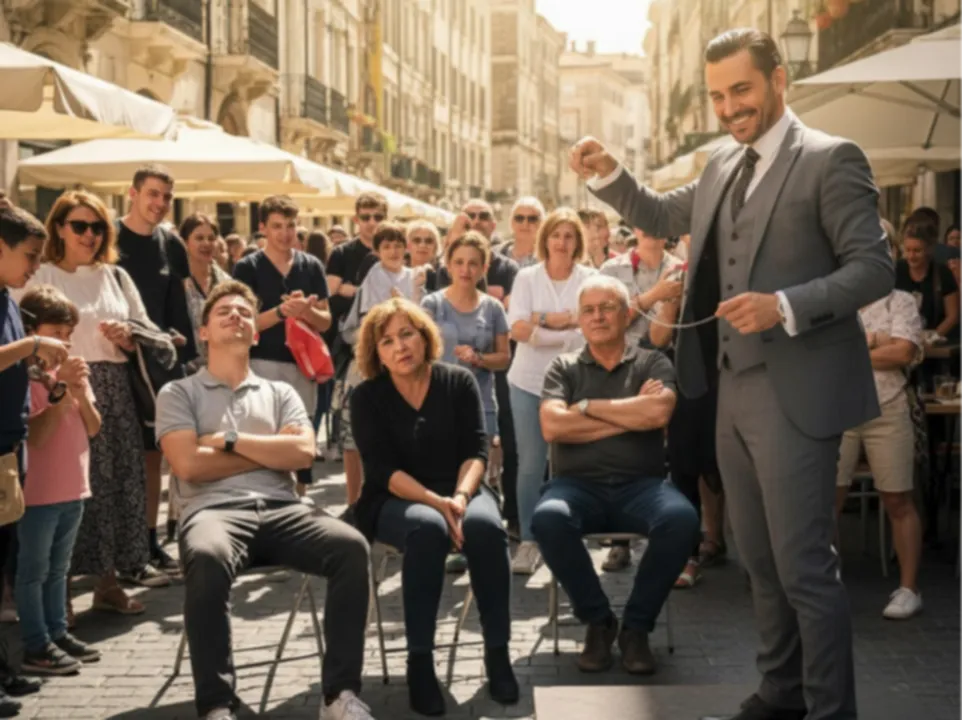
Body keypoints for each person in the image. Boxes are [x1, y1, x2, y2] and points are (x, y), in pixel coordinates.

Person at [571, 28, 893, 720]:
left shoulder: (831, 158)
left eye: (740, 90)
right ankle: (780, 692)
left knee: (804, 566)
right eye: (717, 96)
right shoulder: (720, 163)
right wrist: (609, 173)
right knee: (757, 561)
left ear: (779, 80)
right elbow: (660, 214)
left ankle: (831, 710)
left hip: (799, 393)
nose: (728, 107)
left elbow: (873, 268)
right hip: (727, 390)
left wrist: (785, 305)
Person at [156, 281, 374, 720]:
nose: (235, 316)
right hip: (213, 512)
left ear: (255, 333)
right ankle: (217, 704)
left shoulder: (280, 392)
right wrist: (269, 451)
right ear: (204, 332)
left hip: (282, 508)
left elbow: (303, 453)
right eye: (224, 312)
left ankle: (339, 695)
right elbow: (188, 466)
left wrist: (227, 440)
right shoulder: (179, 393)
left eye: (244, 312)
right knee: (206, 555)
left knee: (352, 547)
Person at [349, 298, 518, 717]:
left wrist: (459, 498)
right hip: (395, 497)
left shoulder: (458, 382)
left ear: (425, 337)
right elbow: (381, 469)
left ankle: (498, 652)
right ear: (377, 353)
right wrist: (436, 503)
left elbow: (477, 450)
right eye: (387, 341)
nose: (400, 346)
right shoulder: (367, 396)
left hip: (460, 488)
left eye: (407, 334)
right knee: (427, 528)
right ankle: (420, 662)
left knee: (485, 527)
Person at [532, 275, 698, 675]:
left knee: (682, 519)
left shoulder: (652, 362)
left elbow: (657, 413)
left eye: (607, 308)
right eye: (588, 310)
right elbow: (553, 427)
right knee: (548, 519)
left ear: (626, 315)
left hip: (642, 486)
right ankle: (599, 620)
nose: (598, 316)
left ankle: (636, 627)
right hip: (575, 487)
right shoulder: (563, 366)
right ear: (579, 319)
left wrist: (585, 407)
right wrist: (629, 415)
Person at [18, 190, 166, 612]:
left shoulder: (115, 276)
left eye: (98, 226)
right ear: (59, 229)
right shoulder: (42, 274)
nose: (90, 235)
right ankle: (60, 592)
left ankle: (108, 583)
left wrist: (129, 336)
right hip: (57, 383)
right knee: (66, 489)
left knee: (116, 486)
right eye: (80, 225)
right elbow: (22, 331)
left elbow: (146, 327)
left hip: (114, 388)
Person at [836, 224, 924, 620]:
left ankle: (909, 588)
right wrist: (877, 341)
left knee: (898, 499)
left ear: (892, 254)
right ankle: (825, 584)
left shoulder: (901, 300)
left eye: (884, 247)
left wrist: (855, 347)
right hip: (838, 408)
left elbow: (904, 353)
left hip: (888, 407)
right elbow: (824, 354)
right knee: (827, 501)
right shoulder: (838, 300)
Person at [115, 164, 196, 576]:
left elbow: (178, 306)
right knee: (118, 459)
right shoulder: (107, 237)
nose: (160, 203)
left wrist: (185, 356)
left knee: (153, 457)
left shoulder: (172, 244)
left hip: (160, 365)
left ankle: (147, 543)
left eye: (166, 196)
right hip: (115, 359)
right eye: (152, 194)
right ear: (133, 193)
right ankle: (117, 549)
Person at [16, 285, 102, 676]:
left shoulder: (70, 373)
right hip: (39, 492)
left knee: (59, 569)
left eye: (68, 334)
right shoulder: (26, 378)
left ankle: (57, 632)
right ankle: (36, 644)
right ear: (32, 333)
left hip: (74, 487)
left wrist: (79, 394)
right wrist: (62, 389)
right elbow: (37, 436)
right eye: (56, 333)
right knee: (33, 571)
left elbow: (94, 427)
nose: (64, 343)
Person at [507, 208, 596, 575]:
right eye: (556, 235)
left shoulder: (590, 278)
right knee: (531, 464)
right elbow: (516, 329)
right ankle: (529, 540)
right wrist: (563, 324)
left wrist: (540, 322)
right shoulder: (526, 277)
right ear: (545, 239)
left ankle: (570, 536)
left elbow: (593, 327)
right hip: (528, 381)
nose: (562, 242)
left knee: (576, 463)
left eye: (569, 236)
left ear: (578, 242)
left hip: (576, 383)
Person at [0, 204, 63, 717]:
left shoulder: (8, 297)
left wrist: (36, 370)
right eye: (29, 255)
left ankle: (2, 669)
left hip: (10, 445)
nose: (36, 267)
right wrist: (34, 342)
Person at [421, 231, 511, 573]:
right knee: (442, 472)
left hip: (480, 403)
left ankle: (473, 539)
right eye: (459, 262)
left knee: (476, 476)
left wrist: (479, 358)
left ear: (484, 267)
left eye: (473, 263)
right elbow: (419, 351)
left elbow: (504, 357)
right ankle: (445, 539)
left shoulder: (493, 307)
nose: (465, 269)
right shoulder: (432, 304)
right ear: (448, 265)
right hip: (436, 401)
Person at [231, 195, 332, 492]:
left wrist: (306, 312)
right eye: (277, 226)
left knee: (300, 439)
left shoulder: (311, 266)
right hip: (261, 363)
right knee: (263, 437)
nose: (285, 233)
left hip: (303, 366)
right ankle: (263, 497)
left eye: (290, 225)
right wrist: (281, 312)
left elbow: (326, 321)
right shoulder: (247, 267)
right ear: (262, 227)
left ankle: (298, 501)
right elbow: (244, 323)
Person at [326, 192, 388, 507]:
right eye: (366, 217)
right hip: (353, 353)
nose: (372, 222)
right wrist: (364, 292)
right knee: (352, 436)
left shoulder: (393, 248)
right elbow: (331, 290)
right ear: (356, 219)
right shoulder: (343, 253)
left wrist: (349, 289)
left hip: (392, 356)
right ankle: (354, 504)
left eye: (378, 216)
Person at [181, 214, 231, 370]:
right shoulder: (175, 282)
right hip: (185, 369)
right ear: (185, 242)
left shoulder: (227, 283)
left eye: (211, 238)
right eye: (199, 238)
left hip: (222, 367)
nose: (206, 243)